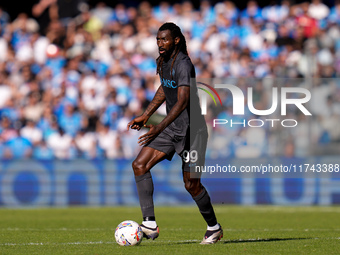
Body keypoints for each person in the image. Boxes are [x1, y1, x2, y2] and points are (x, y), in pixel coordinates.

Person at [127, 22, 223, 244]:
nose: (160, 43)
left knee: (191, 185)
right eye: (158, 39)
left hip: (192, 133)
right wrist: (146, 114)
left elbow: (182, 101)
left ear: (176, 40)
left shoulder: (184, 64)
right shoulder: (162, 61)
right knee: (139, 165)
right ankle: (149, 223)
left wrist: (158, 126)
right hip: (172, 128)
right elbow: (164, 88)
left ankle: (214, 228)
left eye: (164, 39)